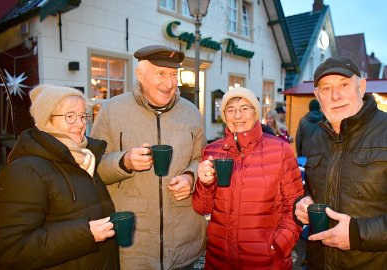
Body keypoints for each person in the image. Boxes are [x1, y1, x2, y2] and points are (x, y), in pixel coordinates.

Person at [90, 45, 207, 270]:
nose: (170, 82)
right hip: (133, 243)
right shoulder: (112, 110)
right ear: (140, 75)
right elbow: (93, 169)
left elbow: (201, 158)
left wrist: (191, 178)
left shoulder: (191, 112)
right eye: (161, 73)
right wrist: (125, 162)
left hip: (183, 240)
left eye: (173, 74)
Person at [0, 85, 119, 269]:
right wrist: (85, 234)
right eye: (70, 116)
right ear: (47, 121)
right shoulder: (27, 170)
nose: (81, 124)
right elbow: (7, 250)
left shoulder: (84, 159)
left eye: (82, 116)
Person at [192, 87, 304, 269]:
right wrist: (204, 184)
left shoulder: (280, 150)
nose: (237, 116)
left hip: (266, 262)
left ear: (255, 113)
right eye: (230, 110)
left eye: (244, 108)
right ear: (224, 115)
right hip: (219, 260)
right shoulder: (212, 151)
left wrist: (277, 246)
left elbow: (294, 207)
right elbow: (202, 208)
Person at [294, 56, 387, 269]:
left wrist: (357, 234)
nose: (335, 96)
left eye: (344, 85)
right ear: (317, 95)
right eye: (326, 88)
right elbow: (312, 189)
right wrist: (301, 204)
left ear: (361, 87)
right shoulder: (315, 138)